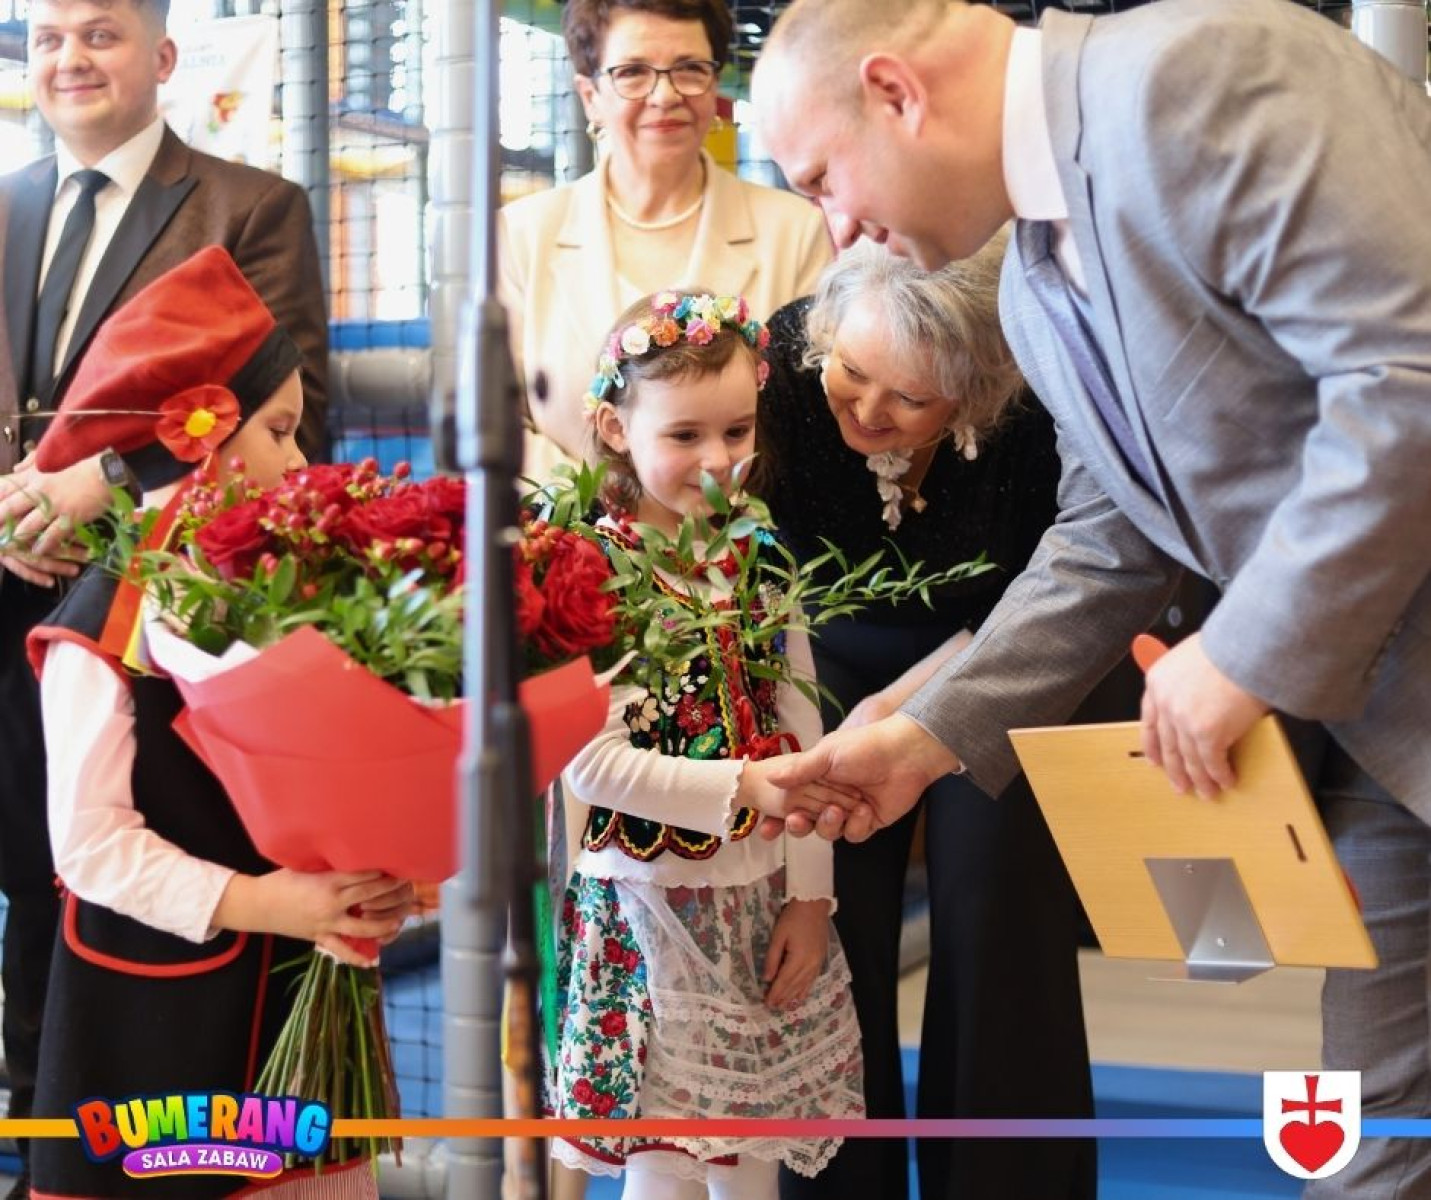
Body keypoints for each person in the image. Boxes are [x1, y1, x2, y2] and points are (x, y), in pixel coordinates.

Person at [748, 1, 1431, 1197]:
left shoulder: (1199, 75)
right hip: (1382, 722)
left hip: (1375, 677)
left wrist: (1243, 652)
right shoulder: (1030, 285)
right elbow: (1109, 544)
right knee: (1376, 1136)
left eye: (821, 180)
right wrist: (924, 739)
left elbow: (1406, 377)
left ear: (897, 92)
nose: (836, 226)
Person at [0, 3, 327, 1183]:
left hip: (168, 616)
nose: (69, 59)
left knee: (152, 886)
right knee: (34, 887)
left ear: (164, 57)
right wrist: (11, 518)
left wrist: (84, 491)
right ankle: (43, 1147)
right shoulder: (5, 203)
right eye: (46, 38)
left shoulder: (251, 205)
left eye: (100, 34)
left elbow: (277, 403)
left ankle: (182, 1156)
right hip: (14, 603)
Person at [24, 246, 411, 1200]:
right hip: (157, 1026)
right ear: (196, 437)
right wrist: (272, 905)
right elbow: (90, 850)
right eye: (279, 430)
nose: (301, 459)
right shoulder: (98, 633)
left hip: (298, 993)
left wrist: (380, 877)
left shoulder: (295, 594)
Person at [758, 237, 1093, 1200]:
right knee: (825, 915)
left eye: (907, 398)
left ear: (973, 396)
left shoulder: (1032, 398)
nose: (866, 410)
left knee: (997, 913)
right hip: (820, 646)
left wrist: (902, 714)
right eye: (851, 374)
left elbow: (1043, 596)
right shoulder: (787, 364)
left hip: (997, 655)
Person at [550, 291, 864, 1199]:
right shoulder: (590, 570)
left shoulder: (759, 554)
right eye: (684, 435)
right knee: (663, 1164)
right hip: (644, 905)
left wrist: (810, 896)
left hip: (758, 899)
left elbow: (804, 728)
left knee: (749, 1158)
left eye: (736, 430)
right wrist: (744, 788)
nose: (718, 459)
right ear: (615, 429)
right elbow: (591, 761)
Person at [497, 0, 830, 479]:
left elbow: (807, 418)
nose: (665, 93)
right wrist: (599, 513)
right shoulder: (520, 237)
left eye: (690, 68)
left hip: (749, 521)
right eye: (633, 72)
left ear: (714, 84)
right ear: (590, 95)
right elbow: (498, 423)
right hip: (567, 523)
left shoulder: (795, 231)